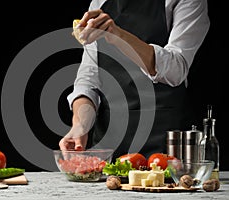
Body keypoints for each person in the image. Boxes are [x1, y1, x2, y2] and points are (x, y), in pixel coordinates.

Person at [59, 0, 210, 159]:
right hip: (111, 143)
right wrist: (81, 125)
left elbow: (176, 70)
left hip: (165, 141)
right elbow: (89, 80)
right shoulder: (99, 2)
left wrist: (117, 35)